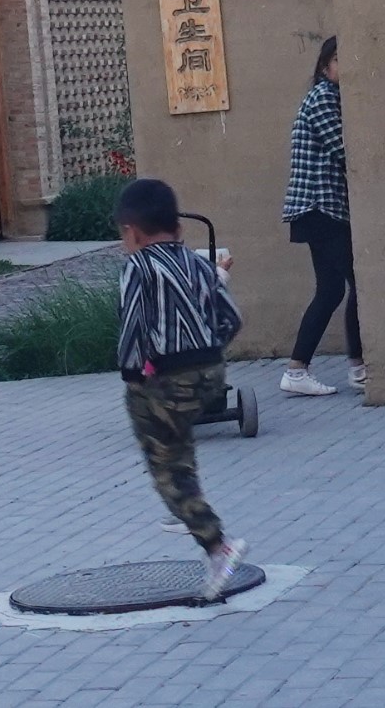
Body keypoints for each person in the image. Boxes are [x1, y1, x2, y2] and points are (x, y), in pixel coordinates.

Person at [115, 177, 249, 600]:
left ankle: (215, 542)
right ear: (178, 227)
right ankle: (186, 498)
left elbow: (132, 325)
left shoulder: (137, 267)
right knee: (177, 444)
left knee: (165, 466)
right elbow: (232, 318)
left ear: (131, 233)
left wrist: (133, 373)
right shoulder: (199, 264)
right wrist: (209, 351)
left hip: (169, 379)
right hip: (210, 373)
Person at [281, 36, 363, 396]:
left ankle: (298, 370)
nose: (346, 65)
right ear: (325, 64)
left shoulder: (333, 97)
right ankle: (355, 367)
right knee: (356, 284)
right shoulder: (324, 99)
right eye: (339, 59)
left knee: (331, 290)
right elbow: (345, 151)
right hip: (319, 206)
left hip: (323, 209)